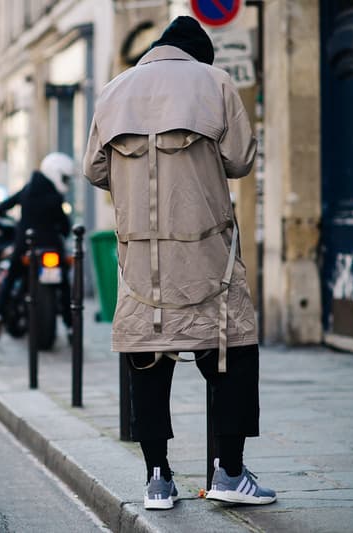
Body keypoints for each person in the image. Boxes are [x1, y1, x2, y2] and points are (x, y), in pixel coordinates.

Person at [83, 16, 276, 510]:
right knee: (232, 356)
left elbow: (94, 169)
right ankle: (230, 473)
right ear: (198, 55)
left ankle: (157, 479)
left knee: (148, 363)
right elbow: (240, 160)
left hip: (141, 264)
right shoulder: (215, 82)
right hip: (206, 258)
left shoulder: (112, 91)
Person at [0, 152, 73, 341]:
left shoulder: (28, 189)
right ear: (56, 173)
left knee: (11, 277)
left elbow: (7, 203)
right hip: (52, 247)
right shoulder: (55, 196)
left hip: (25, 246)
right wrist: (65, 231)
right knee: (64, 285)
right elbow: (64, 224)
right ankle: (70, 326)